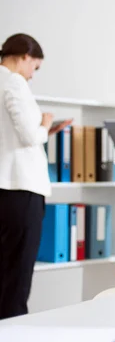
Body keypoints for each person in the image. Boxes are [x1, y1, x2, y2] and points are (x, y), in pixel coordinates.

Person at [0, 33, 71, 319]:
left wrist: (40, 132)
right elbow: (29, 135)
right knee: (17, 277)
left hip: (4, 188)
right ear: (25, 56)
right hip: (22, 188)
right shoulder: (14, 81)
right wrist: (46, 124)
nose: (32, 75)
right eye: (35, 68)